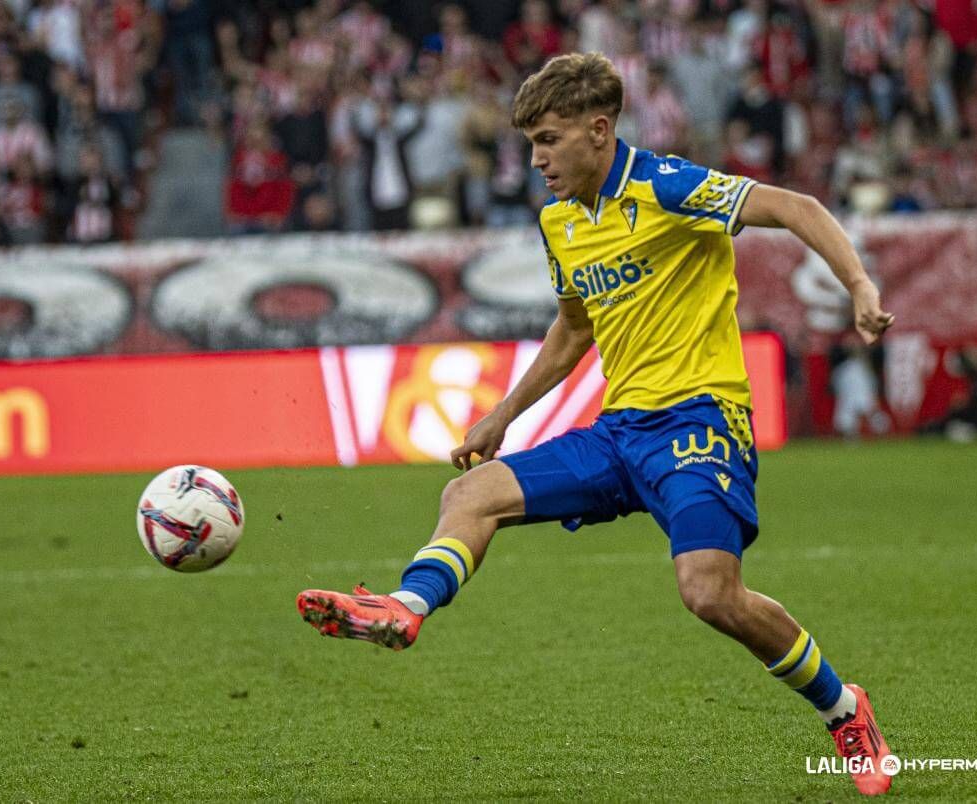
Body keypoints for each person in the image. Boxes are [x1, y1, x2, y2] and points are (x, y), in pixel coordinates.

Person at [297, 53, 896, 797]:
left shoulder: (667, 186)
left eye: (548, 140)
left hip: (701, 422)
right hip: (620, 433)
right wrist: (501, 416)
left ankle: (844, 708)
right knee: (471, 494)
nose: (537, 160)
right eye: (532, 144)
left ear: (599, 130)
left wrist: (859, 285)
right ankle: (405, 605)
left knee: (710, 593)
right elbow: (574, 330)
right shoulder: (560, 221)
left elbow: (798, 208)